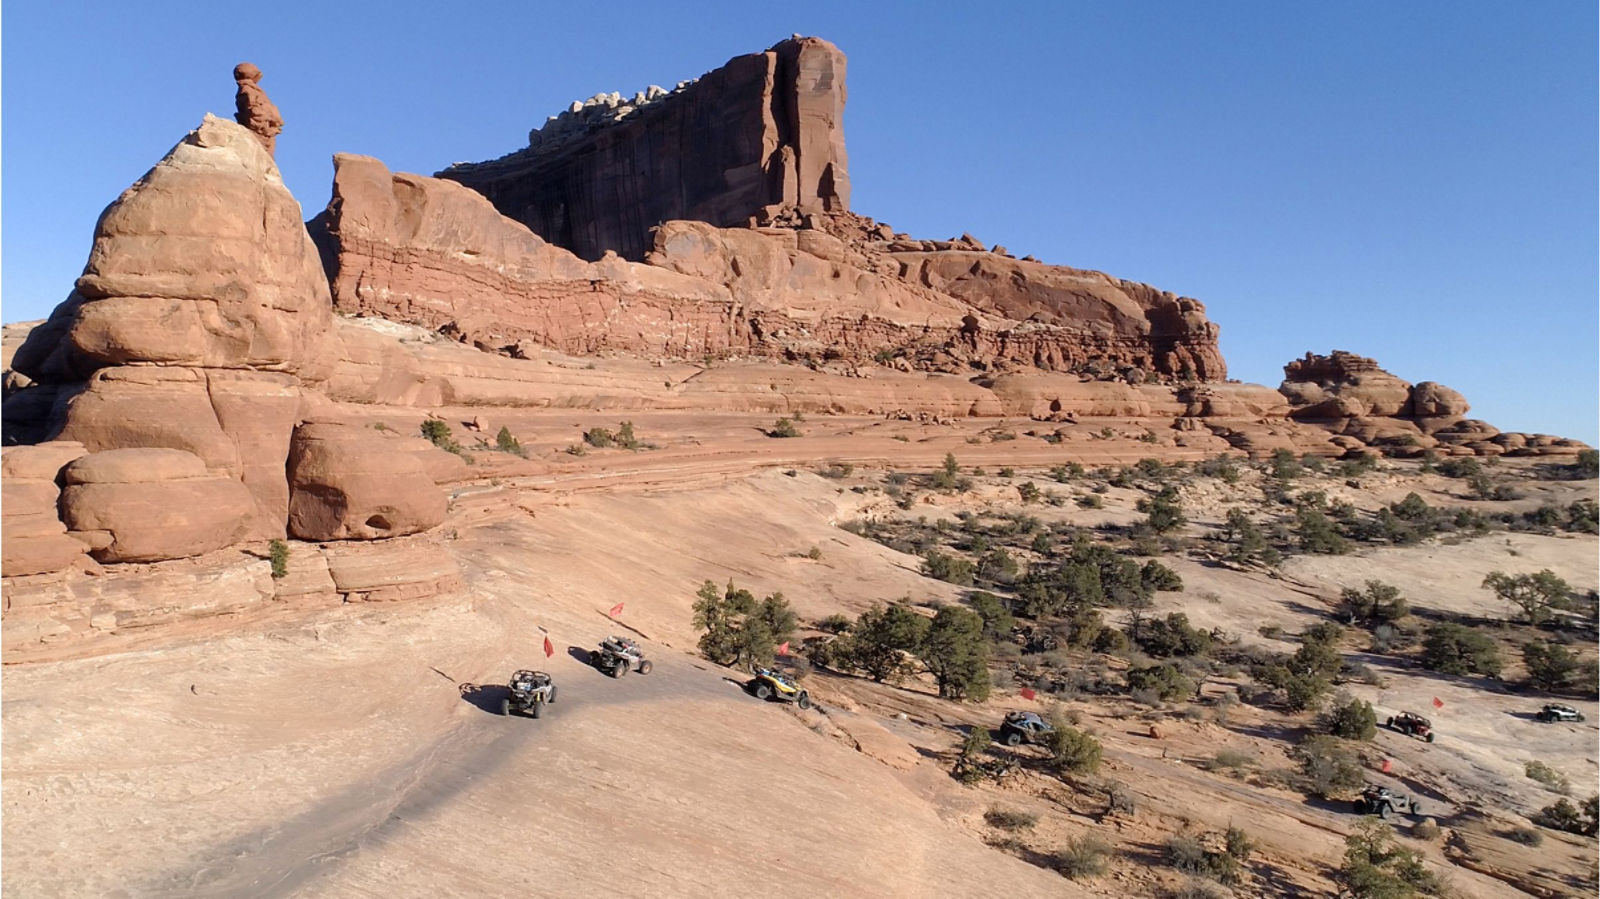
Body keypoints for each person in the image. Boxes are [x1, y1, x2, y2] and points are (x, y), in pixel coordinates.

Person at [233, 62, 284, 155]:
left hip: (265, 130)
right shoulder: (247, 90)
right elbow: (253, 110)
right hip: (260, 130)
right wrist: (269, 117)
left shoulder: (252, 89)